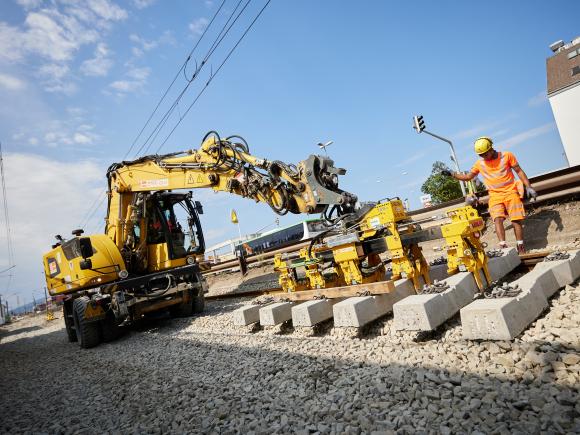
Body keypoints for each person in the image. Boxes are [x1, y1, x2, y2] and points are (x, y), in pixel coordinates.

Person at [441, 136, 537, 254]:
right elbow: (468, 177)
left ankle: (520, 246)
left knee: (516, 220)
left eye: (485, 154)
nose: (483, 157)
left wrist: (528, 186)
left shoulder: (507, 156)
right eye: (481, 155)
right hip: (495, 196)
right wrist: (452, 174)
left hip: (511, 192)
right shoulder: (479, 163)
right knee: (497, 219)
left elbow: (519, 171)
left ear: (491, 148)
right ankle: (503, 247)